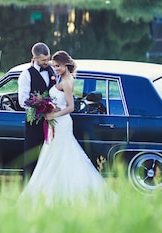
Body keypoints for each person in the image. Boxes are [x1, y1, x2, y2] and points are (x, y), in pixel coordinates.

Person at [19, 50, 113, 207]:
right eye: (52, 64)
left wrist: (52, 114)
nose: (54, 68)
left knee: (62, 154)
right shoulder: (55, 73)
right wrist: (36, 63)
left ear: (65, 65)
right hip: (53, 122)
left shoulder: (67, 81)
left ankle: (62, 190)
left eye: (57, 66)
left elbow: (71, 107)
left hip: (60, 122)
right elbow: (48, 65)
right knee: (53, 155)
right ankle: (53, 188)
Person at [18, 42, 56, 180]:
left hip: (52, 121)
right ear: (34, 59)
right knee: (31, 155)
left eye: (48, 59)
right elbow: (23, 101)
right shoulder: (26, 75)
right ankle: (28, 184)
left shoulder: (51, 71)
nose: (47, 62)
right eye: (44, 60)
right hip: (33, 120)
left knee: (49, 154)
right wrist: (39, 104)